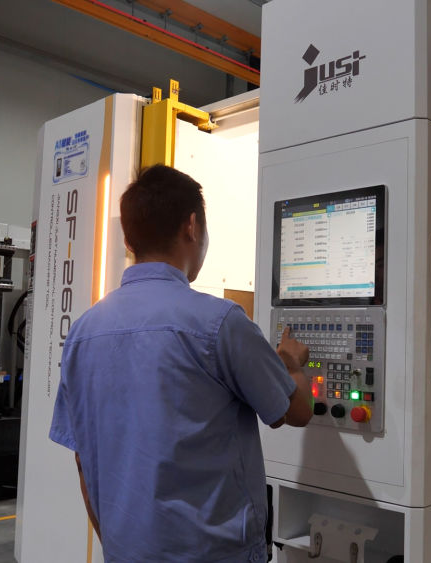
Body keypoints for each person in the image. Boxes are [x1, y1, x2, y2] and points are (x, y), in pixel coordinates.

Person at [49, 164, 314, 562]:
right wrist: (292, 364)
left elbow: (83, 459)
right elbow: (296, 411)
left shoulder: (84, 332)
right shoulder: (219, 323)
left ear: (128, 239)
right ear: (192, 226)